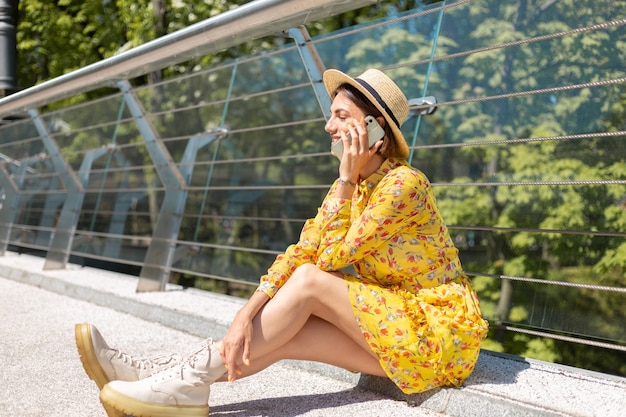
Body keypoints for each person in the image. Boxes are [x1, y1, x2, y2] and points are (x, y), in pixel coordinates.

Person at [75, 68, 488, 417]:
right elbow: (302, 249)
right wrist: (247, 311)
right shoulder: (352, 188)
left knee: (309, 282)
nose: (328, 126)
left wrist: (345, 180)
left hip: (437, 334)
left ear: (373, 129)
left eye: (341, 116)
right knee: (287, 331)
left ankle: (183, 380)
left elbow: (326, 261)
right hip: (396, 332)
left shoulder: (403, 184)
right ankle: (166, 377)